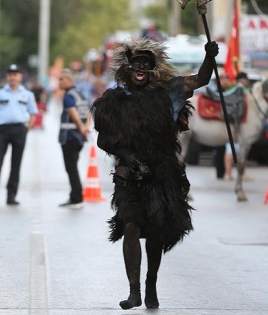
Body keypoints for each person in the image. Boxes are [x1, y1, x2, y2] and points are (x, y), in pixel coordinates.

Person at [92, 39, 218, 309]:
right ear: (127, 69)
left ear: (152, 70)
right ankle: (134, 291)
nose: (141, 69)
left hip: (162, 173)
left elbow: (201, 79)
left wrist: (209, 57)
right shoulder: (114, 100)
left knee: (157, 231)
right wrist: (126, 155)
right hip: (129, 173)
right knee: (131, 225)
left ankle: (151, 282)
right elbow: (103, 140)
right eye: (136, 64)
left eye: (146, 65)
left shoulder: (168, 92)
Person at [0, 64, 38, 206]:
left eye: (15, 74)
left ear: (20, 77)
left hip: (19, 130)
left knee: (16, 164)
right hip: (2, 130)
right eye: (10, 74)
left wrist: (27, 128)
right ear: (7, 77)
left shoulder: (27, 94)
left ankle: (11, 196)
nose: (13, 77)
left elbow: (33, 113)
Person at [57, 68, 92, 208]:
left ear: (69, 80)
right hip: (79, 138)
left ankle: (76, 197)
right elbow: (90, 111)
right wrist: (86, 128)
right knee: (73, 167)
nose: (59, 82)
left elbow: (73, 113)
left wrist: (81, 127)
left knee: (71, 168)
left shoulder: (68, 95)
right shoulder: (81, 94)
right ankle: (74, 195)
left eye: (62, 79)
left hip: (70, 137)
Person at [223, 71, 250, 181]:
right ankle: (237, 174)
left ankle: (228, 173)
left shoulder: (231, 90)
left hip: (229, 124)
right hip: (238, 126)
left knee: (230, 149)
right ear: (245, 80)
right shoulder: (244, 92)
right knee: (235, 150)